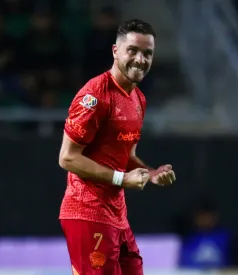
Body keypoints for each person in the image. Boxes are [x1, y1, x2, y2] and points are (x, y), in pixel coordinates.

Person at [58, 19, 176, 275]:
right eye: (132, 50)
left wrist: (152, 174)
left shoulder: (138, 99)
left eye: (147, 53)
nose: (140, 59)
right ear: (115, 51)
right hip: (87, 212)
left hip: (116, 215)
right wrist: (122, 179)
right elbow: (67, 158)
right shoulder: (94, 96)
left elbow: (127, 155)